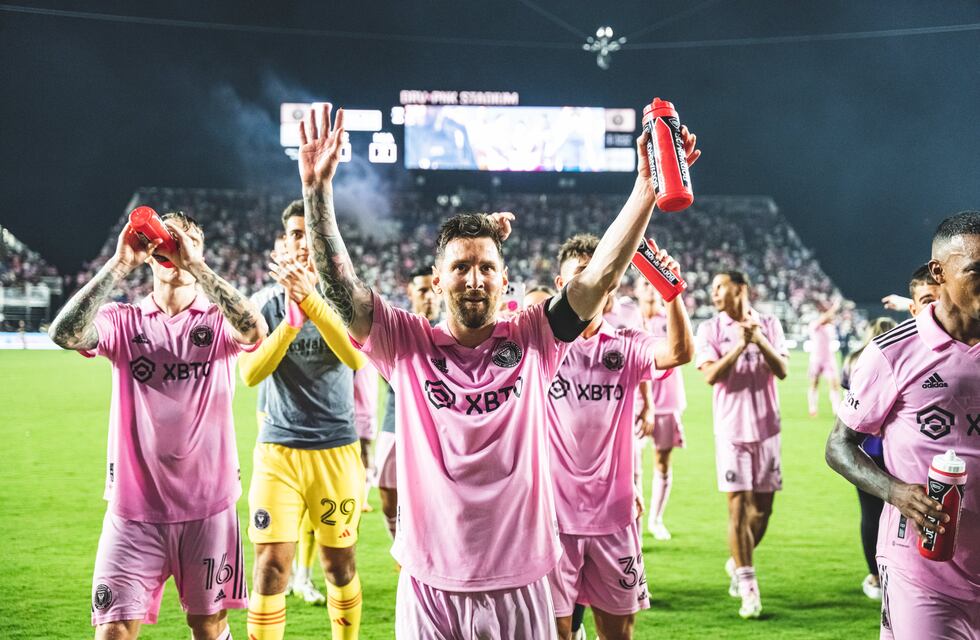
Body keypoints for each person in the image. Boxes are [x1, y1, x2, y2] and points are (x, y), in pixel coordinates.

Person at [299, 103, 700, 637]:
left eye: (486, 267)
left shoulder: (534, 337)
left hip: (521, 586)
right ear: (438, 280)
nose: (473, 278)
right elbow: (340, 289)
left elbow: (600, 275)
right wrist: (316, 190)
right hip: (430, 589)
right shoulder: (407, 344)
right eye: (460, 267)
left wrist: (647, 186)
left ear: (504, 281)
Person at [49, 212, 267, 640]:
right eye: (167, 238)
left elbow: (253, 329)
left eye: (187, 239)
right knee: (112, 631)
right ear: (152, 254)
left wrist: (196, 266)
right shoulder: (123, 321)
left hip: (208, 507)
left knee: (208, 628)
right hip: (133, 513)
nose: (174, 245)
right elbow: (64, 333)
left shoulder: (215, 320)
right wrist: (120, 263)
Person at [826, 211, 980, 639]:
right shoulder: (893, 352)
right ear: (939, 271)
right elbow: (839, 445)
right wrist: (896, 492)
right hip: (920, 565)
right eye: (976, 271)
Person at [546, 234, 694, 640]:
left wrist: (670, 291)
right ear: (562, 286)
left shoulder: (625, 344)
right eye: (582, 276)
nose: (596, 285)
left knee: (619, 633)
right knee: (553, 631)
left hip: (614, 517)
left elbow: (679, 352)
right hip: (552, 519)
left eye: (604, 275)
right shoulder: (541, 345)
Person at [239, 200, 367, 639]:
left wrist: (311, 301)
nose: (301, 241)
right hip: (279, 452)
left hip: (336, 450)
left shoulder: (348, 300)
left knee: (339, 566)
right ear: (284, 242)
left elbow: (355, 357)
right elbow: (251, 373)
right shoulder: (263, 304)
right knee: (271, 565)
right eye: (294, 233)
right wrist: (290, 324)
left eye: (309, 234)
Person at [695, 270, 788, 619]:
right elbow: (709, 375)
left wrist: (759, 340)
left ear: (741, 288)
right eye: (713, 287)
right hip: (731, 431)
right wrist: (739, 346)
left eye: (720, 286)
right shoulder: (709, 330)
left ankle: (737, 562)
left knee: (762, 511)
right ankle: (749, 589)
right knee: (737, 509)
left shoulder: (770, 323)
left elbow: (781, 370)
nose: (714, 292)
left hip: (767, 429)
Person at [374, 269, 443, 541]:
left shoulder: (450, 330)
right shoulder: (398, 331)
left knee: (435, 492)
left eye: (432, 290)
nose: (428, 297)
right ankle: (399, 543)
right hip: (396, 420)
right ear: (410, 292)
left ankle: (432, 544)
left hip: (438, 426)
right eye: (422, 290)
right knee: (386, 487)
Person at [841, 316, 897, 601]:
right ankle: (897, 575)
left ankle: (875, 576)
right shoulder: (899, 356)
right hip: (895, 449)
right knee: (901, 515)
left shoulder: (854, 359)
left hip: (864, 447)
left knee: (870, 516)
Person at [634, 276, 689, 541]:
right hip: (635, 403)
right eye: (645, 284)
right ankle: (634, 519)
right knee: (631, 466)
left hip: (667, 401)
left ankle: (656, 520)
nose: (651, 289)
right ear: (635, 290)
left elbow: (684, 351)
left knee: (662, 462)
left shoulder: (670, 319)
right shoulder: (628, 320)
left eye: (653, 284)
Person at [807, 298, 842, 417]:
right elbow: (825, 318)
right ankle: (813, 408)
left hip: (828, 359)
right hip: (816, 359)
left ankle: (836, 410)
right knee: (814, 383)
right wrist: (835, 307)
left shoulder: (830, 327)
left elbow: (828, 319)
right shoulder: (814, 324)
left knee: (834, 384)